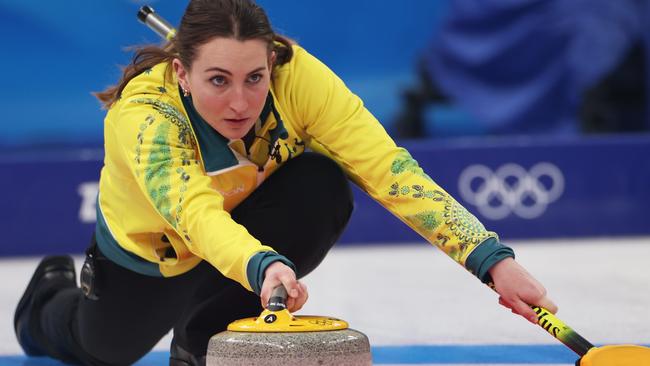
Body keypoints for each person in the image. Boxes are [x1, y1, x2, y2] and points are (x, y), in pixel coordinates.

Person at [14, 0, 557, 365]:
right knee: (101, 349)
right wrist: (262, 264)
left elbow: (391, 173)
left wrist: (492, 261)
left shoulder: (301, 81)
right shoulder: (145, 117)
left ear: (272, 61)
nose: (241, 102)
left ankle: (202, 344)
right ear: (181, 72)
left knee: (322, 183)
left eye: (255, 78)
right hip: (157, 251)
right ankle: (48, 296)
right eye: (218, 80)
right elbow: (196, 217)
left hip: (247, 227)